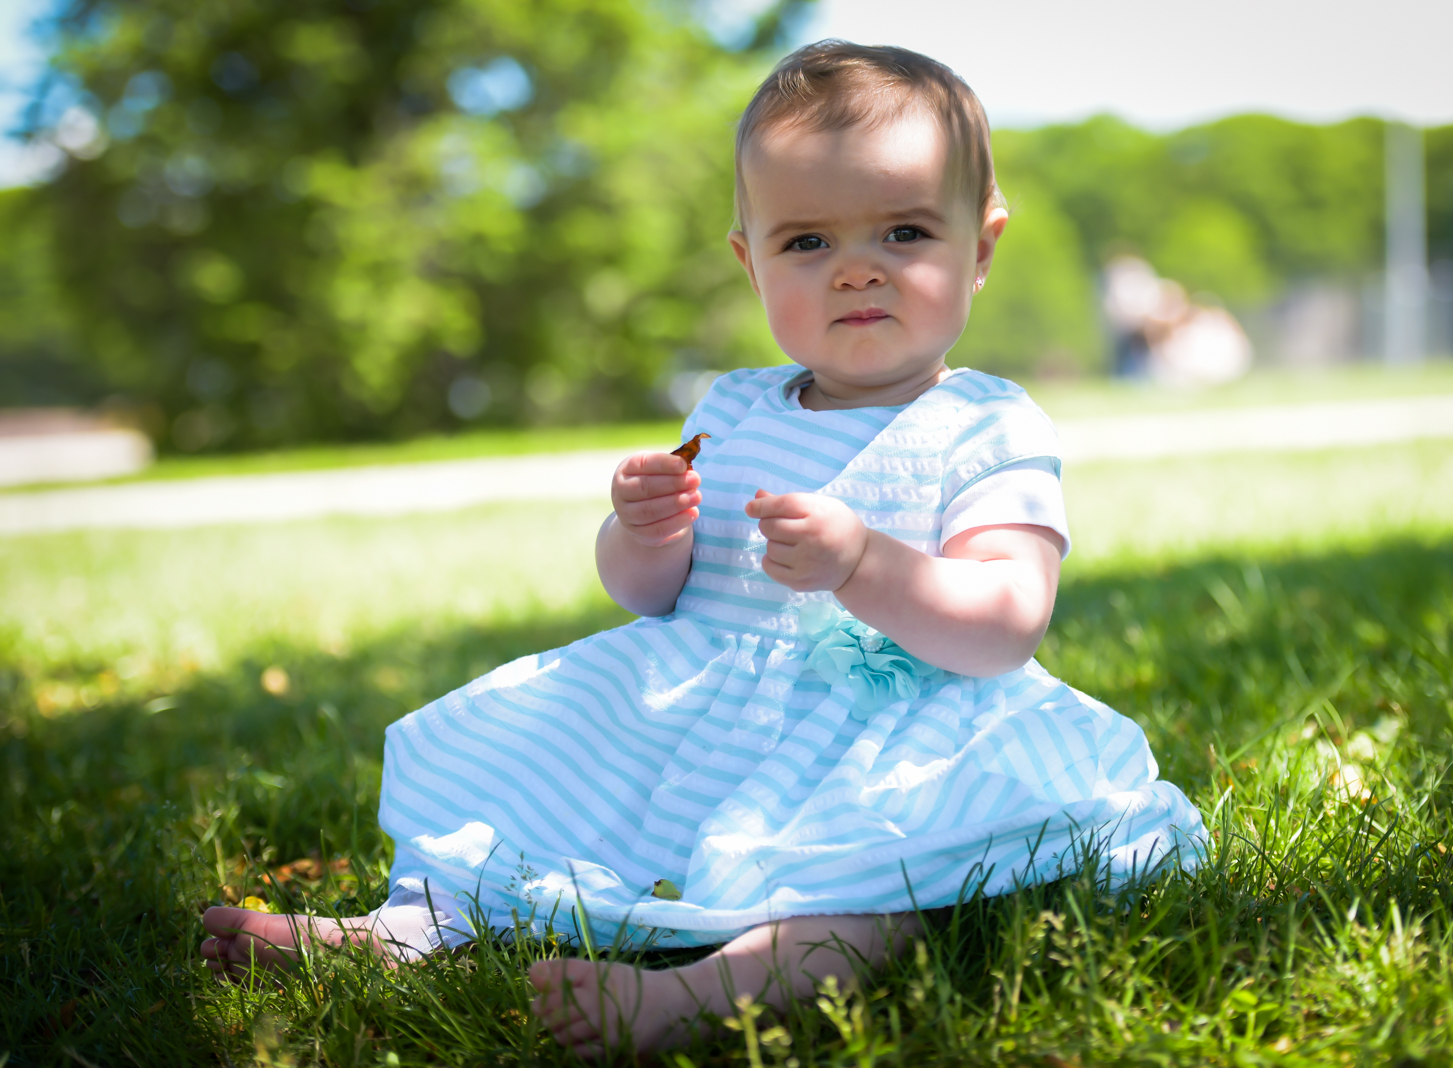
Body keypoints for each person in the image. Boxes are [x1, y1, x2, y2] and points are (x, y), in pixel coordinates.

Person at [200, 41, 1207, 1055]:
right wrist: (642, 532)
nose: (857, 267)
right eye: (807, 242)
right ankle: (404, 931)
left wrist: (867, 563)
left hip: (890, 747)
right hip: (709, 720)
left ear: (980, 247)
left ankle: (698, 997)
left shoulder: (990, 426)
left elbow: (1004, 623)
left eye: (904, 231)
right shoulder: (730, 408)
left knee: (872, 891)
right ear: (750, 259)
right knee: (529, 818)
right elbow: (653, 594)